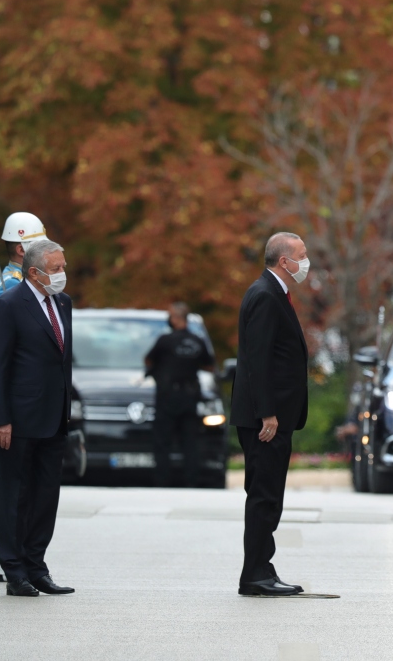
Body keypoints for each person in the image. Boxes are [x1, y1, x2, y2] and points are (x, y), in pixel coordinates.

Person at [232, 232, 310, 596]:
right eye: (301, 255)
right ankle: (255, 575)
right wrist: (268, 413)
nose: (305, 262)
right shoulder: (265, 295)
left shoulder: (273, 292)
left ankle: (262, 567)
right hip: (266, 420)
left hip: (273, 416)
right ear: (284, 261)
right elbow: (258, 361)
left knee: (268, 495)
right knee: (264, 496)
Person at [0, 239, 74, 596]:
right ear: (33, 272)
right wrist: (1, 418)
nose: (62, 275)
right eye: (55, 269)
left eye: (63, 267)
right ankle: (14, 571)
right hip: (19, 420)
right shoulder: (9, 305)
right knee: (15, 496)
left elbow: (61, 361)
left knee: (45, 496)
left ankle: (36, 565)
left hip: (54, 417)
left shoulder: (62, 303)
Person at [144, 303, 214, 487]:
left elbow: (149, 360)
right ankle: (191, 481)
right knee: (190, 442)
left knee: (162, 442)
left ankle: (162, 481)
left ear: (175, 318)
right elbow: (209, 365)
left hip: (167, 397)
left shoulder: (165, 340)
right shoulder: (197, 341)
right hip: (190, 397)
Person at [0, 212, 47, 300]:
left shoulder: (28, 277)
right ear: (21, 250)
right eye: (40, 246)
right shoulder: (12, 283)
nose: (45, 250)